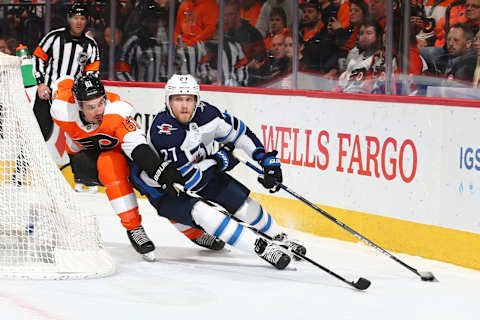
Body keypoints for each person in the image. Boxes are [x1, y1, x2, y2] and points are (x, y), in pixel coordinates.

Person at [131, 74, 307, 269]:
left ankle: (278, 236)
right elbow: (189, 182)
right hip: (166, 189)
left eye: (189, 99)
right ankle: (262, 248)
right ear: (168, 101)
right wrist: (219, 161)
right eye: (178, 99)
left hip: (203, 168)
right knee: (205, 213)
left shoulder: (208, 114)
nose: (184, 106)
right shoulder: (164, 131)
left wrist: (265, 160)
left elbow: (240, 134)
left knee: (239, 199)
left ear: (197, 100)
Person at [49, 74, 223, 259]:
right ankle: (134, 228)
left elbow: (139, 149)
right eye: (91, 107)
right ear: (78, 105)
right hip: (84, 162)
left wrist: (161, 173)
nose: (98, 110)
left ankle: (194, 233)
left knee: (158, 191)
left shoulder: (117, 114)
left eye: (101, 103)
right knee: (110, 163)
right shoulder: (61, 109)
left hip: (126, 155)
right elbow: (61, 81)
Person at [116, 0, 168, 82]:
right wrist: (135, 89)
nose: (156, 25)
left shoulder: (161, 45)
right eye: (152, 21)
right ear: (143, 22)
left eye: (157, 21)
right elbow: (121, 72)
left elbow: (165, 73)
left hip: (158, 92)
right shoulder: (132, 43)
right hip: (136, 92)